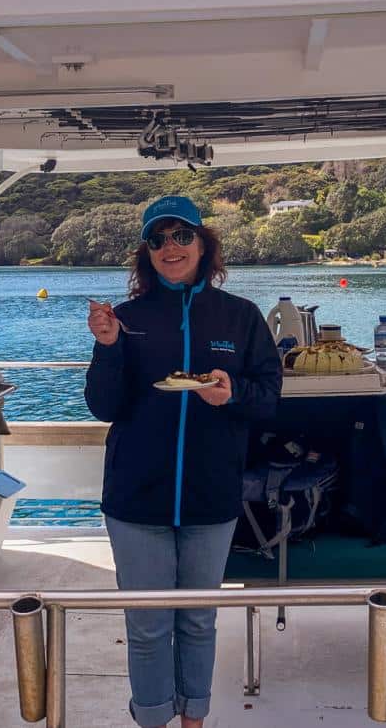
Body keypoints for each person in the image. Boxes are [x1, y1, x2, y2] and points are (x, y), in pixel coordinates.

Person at [84, 196, 281, 728]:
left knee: (198, 620)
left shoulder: (240, 316)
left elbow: (268, 396)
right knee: (148, 625)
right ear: (146, 253)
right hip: (135, 497)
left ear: (203, 243)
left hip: (211, 494)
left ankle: (194, 718)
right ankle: (152, 719)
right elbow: (104, 407)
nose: (170, 247)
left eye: (181, 236)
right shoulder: (125, 320)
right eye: (157, 239)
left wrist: (231, 392)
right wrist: (107, 347)